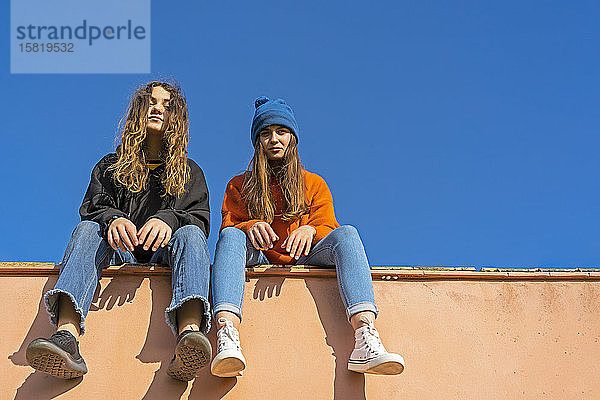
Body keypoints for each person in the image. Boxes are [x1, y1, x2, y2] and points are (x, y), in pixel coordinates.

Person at [26, 81, 212, 381]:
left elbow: (199, 219)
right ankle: (66, 338)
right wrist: (113, 218)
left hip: (167, 258)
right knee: (88, 229)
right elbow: (92, 207)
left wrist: (168, 219)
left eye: (167, 105)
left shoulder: (190, 172)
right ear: (138, 110)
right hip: (118, 254)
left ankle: (189, 336)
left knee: (190, 234)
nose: (157, 108)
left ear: (176, 118)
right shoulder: (110, 166)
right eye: (151, 102)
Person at [210, 96, 405, 377]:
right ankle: (226, 335)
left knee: (347, 233)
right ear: (257, 142)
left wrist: (311, 229)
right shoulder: (238, 184)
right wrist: (249, 225)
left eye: (281, 131)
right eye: (265, 133)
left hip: (307, 255)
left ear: (293, 138)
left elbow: (328, 225)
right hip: (257, 254)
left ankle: (365, 336)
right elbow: (229, 225)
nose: (274, 139)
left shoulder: (313, 183)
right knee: (230, 236)